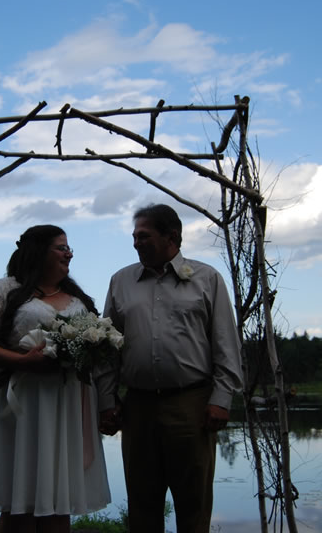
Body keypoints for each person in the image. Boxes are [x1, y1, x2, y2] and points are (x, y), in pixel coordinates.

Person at [96, 203, 243, 533]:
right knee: (142, 503)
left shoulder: (207, 279)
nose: (136, 243)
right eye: (134, 237)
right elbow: (108, 348)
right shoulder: (121, 281)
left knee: (193, 502)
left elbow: (225, 343)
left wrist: (221, 398)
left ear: (172, 237)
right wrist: (106, 401)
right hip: (138, 407)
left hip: (191, 405)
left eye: (144, 236)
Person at [0, 224, 111, 533]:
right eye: (61, 247)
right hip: (22, 406)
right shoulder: (6, 289)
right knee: (21, 501)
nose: (69, 253)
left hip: (67, 404)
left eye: (69, 248)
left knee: (59, 500)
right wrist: (22, 361)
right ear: (38, 251)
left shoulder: (76, 297)